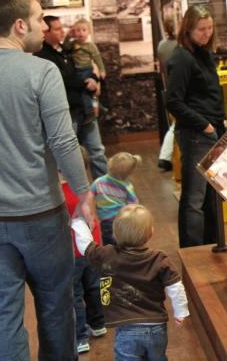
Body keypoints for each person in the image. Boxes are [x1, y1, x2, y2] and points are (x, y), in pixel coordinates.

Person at [0, 0, 95, 359]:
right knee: (56, 310)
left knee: (3, 317)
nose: (45, 26)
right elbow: (63, 141)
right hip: (40, 214)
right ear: (19, 24)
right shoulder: (42, 71)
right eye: (41, 18)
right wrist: (85, 193)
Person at [72, 205, 190, 361]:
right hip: (156, 327)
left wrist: (78, 223)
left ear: (114, 233)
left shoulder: (108, 255)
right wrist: (180, 311)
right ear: (150, 233)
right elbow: (176, 286)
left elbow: (85, 245)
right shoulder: (159, 259)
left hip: (126, 328)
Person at [166, 5, 225, 247]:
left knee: (210, 196)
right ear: (188, 29)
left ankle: (211, 244)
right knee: (193, 198)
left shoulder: (203, 53)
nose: (207, 33)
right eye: (201, 29)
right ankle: (192, 251)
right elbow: (173, 101)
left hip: (210, 131)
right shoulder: (181, 58)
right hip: (196, 134)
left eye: (210, 28)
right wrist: (205, 126)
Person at [36, 14, 109, 178]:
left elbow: (87, 65)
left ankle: (106, 191)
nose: (62, 31)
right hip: (66, 113)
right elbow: (63, 78)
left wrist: (94, 79)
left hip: (84, 108)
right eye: (57, 29)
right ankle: (74, 196)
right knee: (68, 156)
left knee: (97, 151)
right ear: (46, 32)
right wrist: (86, 83)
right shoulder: (43, 55)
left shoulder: (66, 49)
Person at [63, 149, 107, 355]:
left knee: (75, 295)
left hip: (71, 252)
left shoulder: (58, 193)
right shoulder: (88, 190)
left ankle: (80, 337)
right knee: (94, 287)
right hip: (93, 249)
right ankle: (99, 324)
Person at [92, 152, 142, 246]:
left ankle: (110, 258)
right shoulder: (127, 186)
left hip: (106, 221)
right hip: (122, 220)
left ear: (110, 163)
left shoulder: (98, 182)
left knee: (108, 244)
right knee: (123, 243)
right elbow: (134, 204)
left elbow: (90, 195)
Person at [67, 18, 106, 120]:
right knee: (87, 93)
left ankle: (89, 113)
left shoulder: (90, 46)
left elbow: (97, 58)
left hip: (86, 70)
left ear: (89, 32)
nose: (81, 33)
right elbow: (65, 47)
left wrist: (102, 70)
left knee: (85, 91)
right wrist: (68, 36)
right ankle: (98, 107)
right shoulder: (73, 44)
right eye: (78, 30)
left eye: (84, 30)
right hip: (76, 71)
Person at [156, 16, 178, 172]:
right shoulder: (181, 46)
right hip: (182, 90)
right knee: (178, 125)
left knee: (175, 124)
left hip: (169, 88)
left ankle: (165, 157)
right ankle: (165, 157)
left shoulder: (162, 46)